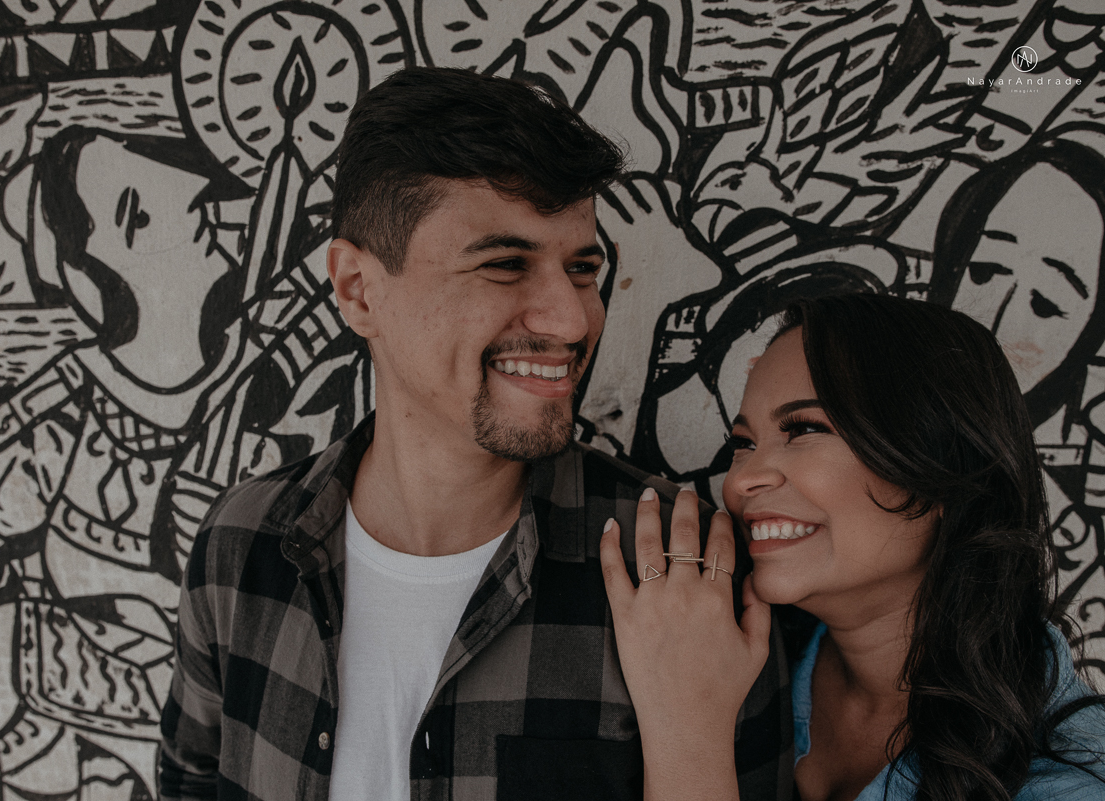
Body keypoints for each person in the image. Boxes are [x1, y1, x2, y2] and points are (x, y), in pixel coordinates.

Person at [157, 66, 793, 801]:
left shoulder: (683, 572)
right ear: (359, 289)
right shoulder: (242, 547)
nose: (572, 318)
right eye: (505, 264)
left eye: (582, 269)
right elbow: (188, 782)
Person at [602, 292, 1105, 800]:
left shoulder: (1072, 778)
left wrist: (689, 734)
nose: (743, 480)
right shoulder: (744, 649)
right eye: (743, 444)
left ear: (941, 475)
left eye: (803, 429)